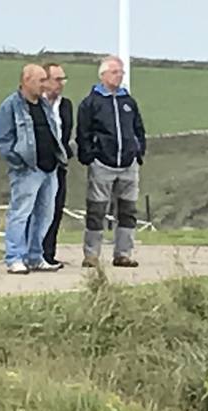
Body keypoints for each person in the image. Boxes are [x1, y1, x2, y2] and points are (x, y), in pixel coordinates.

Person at [75, 55, 147, 268]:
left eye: (121, 72)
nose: (119, 76)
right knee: (96, 211)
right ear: (103, 74)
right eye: (115, 72)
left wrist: (138, 151)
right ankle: (91, 255)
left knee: (128, 211)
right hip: (102, 164)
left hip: (128, 165)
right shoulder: (91, 102)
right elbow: (83, 132)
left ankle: (123, 253)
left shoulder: (128, 101)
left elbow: (138, 129)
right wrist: (90, 155)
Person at [0, 64, 66, 275]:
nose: (45, 84)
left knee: (45, 214)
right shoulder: (11, 106)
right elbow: (4, 139)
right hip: (28, 169)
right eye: (41, 80)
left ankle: (36, 255)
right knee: (21, 213)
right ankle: (15, 257)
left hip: (49, 168)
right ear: (26, 80)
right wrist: (19, 162)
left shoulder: (44, 105)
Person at [41, 62, 75, 268]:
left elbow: (66, 133)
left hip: (59, 165)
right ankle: (32, 251)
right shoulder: (36, 104)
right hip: (39, 165)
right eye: (57, 79)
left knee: (56, 208)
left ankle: (49, 252)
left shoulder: (66, 105)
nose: (61, 83)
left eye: (63, 79)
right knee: (37, 209)